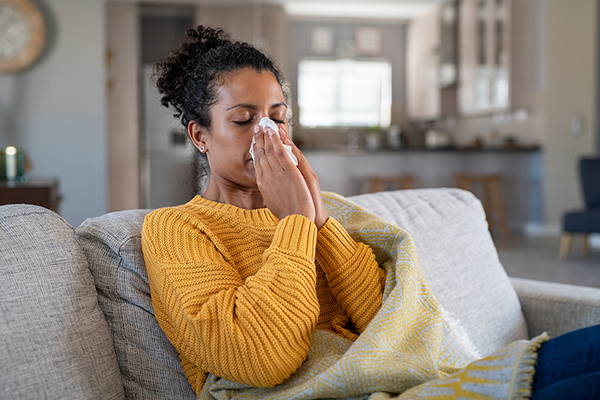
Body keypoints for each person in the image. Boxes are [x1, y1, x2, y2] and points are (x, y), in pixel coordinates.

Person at [142, 26, 600, 400]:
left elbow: (393, 325)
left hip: (409, 381)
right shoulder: (177, 229)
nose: (268, 132)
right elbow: (261, 358)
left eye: (278, 118)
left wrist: (318, 218)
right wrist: (297, 224)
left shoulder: (326, 211)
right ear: (200, 135)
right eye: (243, 120)